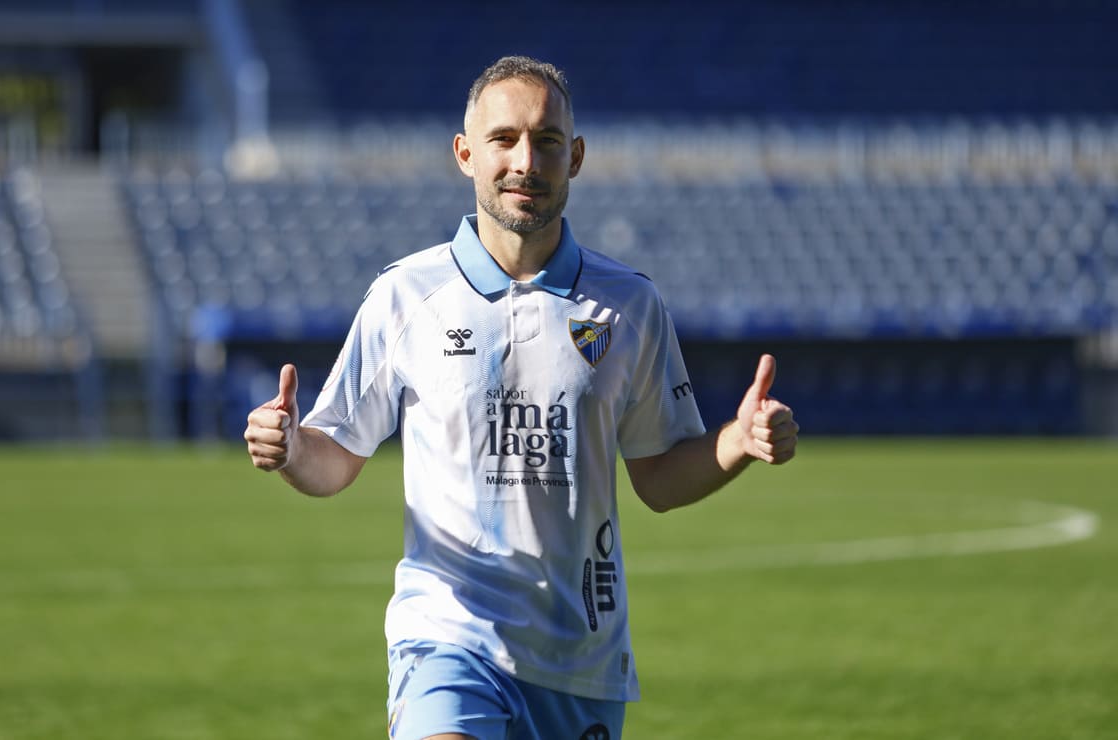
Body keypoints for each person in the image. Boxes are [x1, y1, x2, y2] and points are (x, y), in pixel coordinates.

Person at [244, 55, 798, 740]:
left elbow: (658, 475)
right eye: (503, 139)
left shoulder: (629, 304)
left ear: (577, 157)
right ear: (465, 153)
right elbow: (336, 458)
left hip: (579, 657)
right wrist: (293, 446)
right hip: (446, 635)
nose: (525, 160)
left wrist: (736, 443)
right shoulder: (405, 296)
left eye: (547, 141)